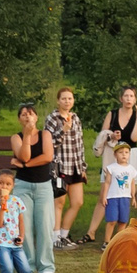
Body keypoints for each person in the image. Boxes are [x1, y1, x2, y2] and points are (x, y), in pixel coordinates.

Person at [10, 102, 58, 273]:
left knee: (45, 225)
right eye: (23, 114)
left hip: (43, 186)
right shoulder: (16, 137)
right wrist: (28, 136)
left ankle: (46, 266)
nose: (27, 116)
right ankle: (27, 265)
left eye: (30, 113)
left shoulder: (45, 134)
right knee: (25, 228)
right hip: (23, 186)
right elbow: (24, 155)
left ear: (37, 117)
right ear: (19, 119)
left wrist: (24, 165)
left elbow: (47, 157)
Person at [49, 86, 89, 248]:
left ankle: (65, 235)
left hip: (75, 166)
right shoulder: (52, 118)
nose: (67, 101)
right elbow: (49, 142)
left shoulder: (76, 118)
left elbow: (80, 144)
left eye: (70, 98)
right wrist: (63, 131)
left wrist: (83, 167)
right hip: (59, 166)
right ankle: (55, 237)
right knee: (59, 202)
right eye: (64, 98)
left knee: (78, 202)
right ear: (58, 101)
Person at [98, 142, 137, 248]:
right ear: (115, 155)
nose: (124, 155)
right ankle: (107, 241)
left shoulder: (131, 169)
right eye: (121, 152)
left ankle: (119, 241)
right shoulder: (111, 168)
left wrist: (133, 197)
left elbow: (132, 183)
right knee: (112, 220)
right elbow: (107, 183)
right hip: (113, 197)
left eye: (126, 152)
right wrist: (104, 196)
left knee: (123, 221)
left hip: (125, 197)